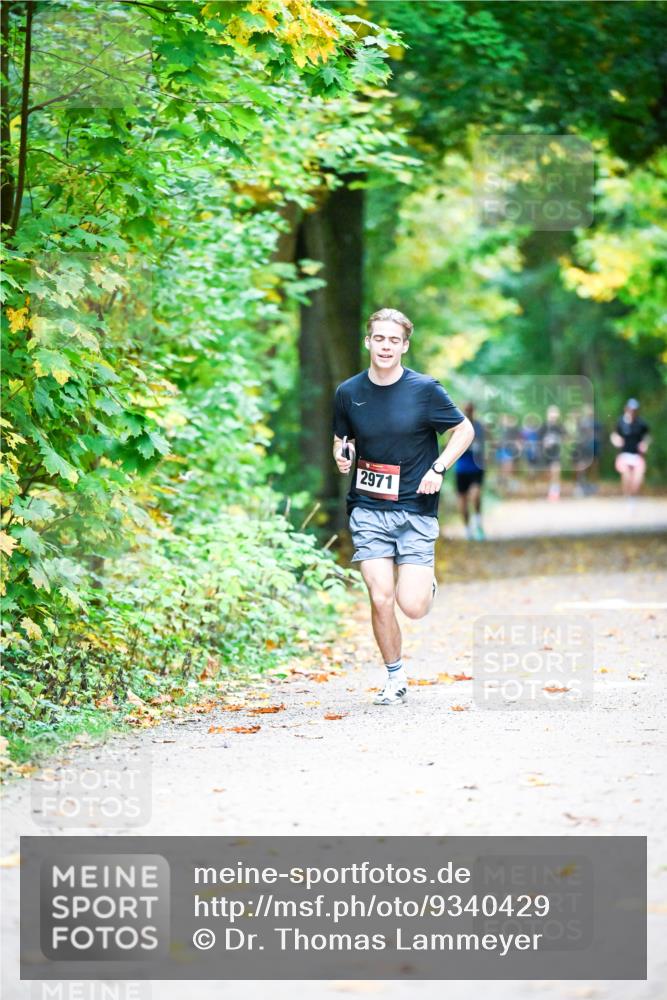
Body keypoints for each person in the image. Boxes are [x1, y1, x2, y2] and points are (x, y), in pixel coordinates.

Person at [332, 307, 474, 707]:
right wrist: (343, 455)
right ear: (368, 341)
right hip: (367, 507)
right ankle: (395, 677)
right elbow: (343, 439)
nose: (386, 346)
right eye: (379, 338)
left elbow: (464, 430)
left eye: (394, 340)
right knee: (380, 596)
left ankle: (424, 582)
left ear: (405, 346)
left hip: (415, 507)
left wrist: (440, 467)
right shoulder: (348, 392)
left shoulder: (425, 390)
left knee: (411, 606)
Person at [455, 402, 486, 540]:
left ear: (474, 411)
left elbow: (487, 444)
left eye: (470, 410)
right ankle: (468, 529)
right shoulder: (457, 426)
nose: (468, 412)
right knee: (462, 501)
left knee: (475, 495)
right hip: (461, 469)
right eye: (466, 410)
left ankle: (478, 522)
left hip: (477, 468)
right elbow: (451, 446)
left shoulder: (479, 427)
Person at [610, 398, 650, 501]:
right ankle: (627, 496)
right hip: (624, 455)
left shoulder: (641, 423)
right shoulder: (621, 422)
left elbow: (647, 436)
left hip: (637, 456)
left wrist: (645, 443)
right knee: (627, 476)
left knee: (637, 480)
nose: (632, 411)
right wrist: (616, 440)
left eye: (634, 409)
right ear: (626, 409)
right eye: (631, 409)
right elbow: (614, 434)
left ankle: (633, 496)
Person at [540, 404, 565, 501]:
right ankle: (549, 490)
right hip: (545, 453)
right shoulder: (543, 426)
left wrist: (558, 439)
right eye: (551, 413)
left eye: (555, 413)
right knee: (548, 473)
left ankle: (555, 492)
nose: (553, 415)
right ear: (548, 414)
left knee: (556, 470)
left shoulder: (560, 426)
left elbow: (566, 437)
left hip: (556, 452)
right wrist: (544, 442)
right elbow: (538, 439)